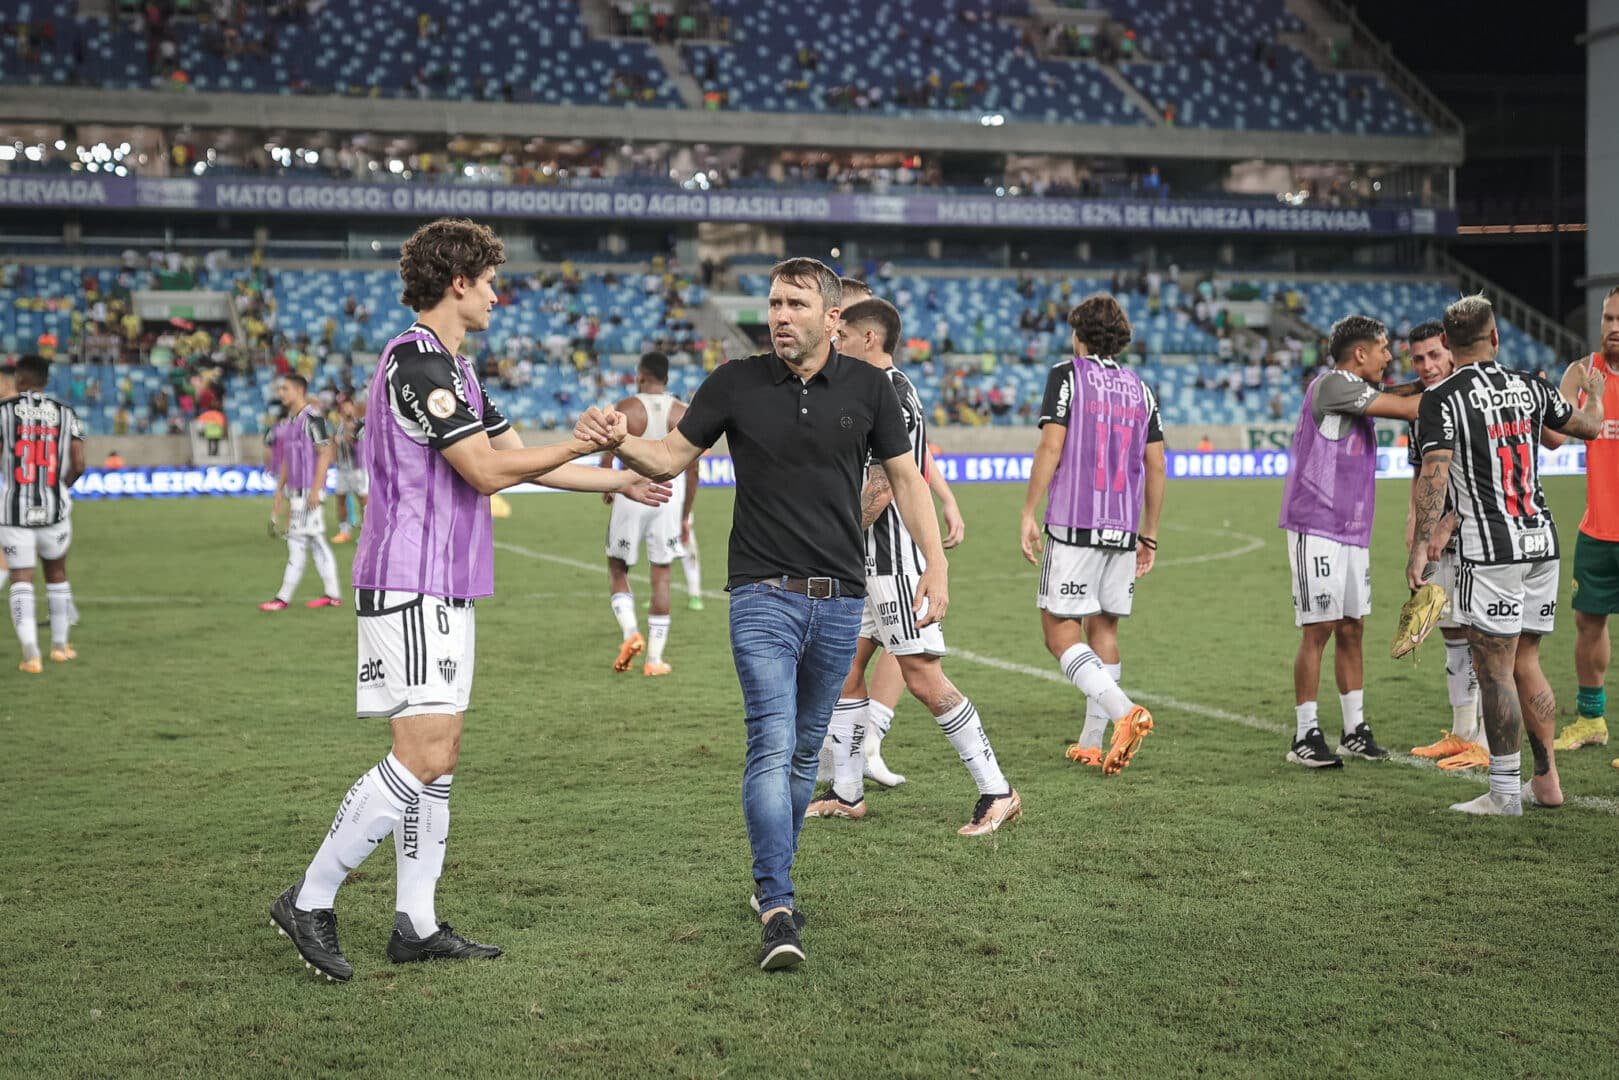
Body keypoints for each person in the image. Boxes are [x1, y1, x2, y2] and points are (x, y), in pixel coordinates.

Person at [270, 217, 669, 983]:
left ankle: (414, 923)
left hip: (446, 582)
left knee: (439, 761)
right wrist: (588, 447)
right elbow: (486, 473)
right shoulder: (416, 363)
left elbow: (522, 463)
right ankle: (310, 897)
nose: (496, 294)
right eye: (489, 281)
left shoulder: (456, 369)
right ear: (458, 282)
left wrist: (615, 475)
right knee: (420, 753)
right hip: (410, 580)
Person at [574, 257, 948, 973]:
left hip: (841, 596)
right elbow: (665, 458)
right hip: (760, 593)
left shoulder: (871, 388)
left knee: (808, 752)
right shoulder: (734, 383)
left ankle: (772, 879)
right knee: (772, 744)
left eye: (795, 304)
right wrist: (614, 436)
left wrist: (936, 562)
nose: (778, 316)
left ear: (832, 317)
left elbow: (905, 478)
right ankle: (777, 901)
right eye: (773, 303)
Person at [809, 297, 1016, 833]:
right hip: (864, 565)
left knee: (925, 679)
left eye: (844, 336)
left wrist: (824, 535)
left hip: (893, 565)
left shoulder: (892, 393)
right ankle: (848, 793)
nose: (836, 345)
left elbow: (880, 488)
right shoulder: (874, 388)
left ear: (869, 339)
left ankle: (998, 791)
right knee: (847, 671)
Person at [1406, 295, 1605, 815]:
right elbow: (1579, 430)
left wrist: (1417, 548)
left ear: (1446, 345)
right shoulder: (1531, 385)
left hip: (1491, 550)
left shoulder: (1441, 399)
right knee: (1529, 661)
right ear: (1496, 337)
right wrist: (1598, 398)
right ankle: (1547, 783)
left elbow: (1435, 473)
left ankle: (1502, 792)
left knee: (1494, 668)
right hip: (1542, 540)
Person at [1019, 295, 1163, 773]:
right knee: (1104, 627)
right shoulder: (1140, 388)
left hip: (1075, 522)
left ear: (1078, 335)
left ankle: (1125, 713)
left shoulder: (1068, 374)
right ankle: (1091, 741)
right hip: (1122, 527)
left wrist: (1028, 509)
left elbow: (1051, 442)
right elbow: (1156, 462)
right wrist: (1150, 533)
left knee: (1058, 630)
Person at [1278, 316, 1419, 768]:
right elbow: (1407, 407)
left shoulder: (1354, 390)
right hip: (1317, 524)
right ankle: (1304, 735)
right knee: (1318, 629)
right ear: (1359, 354)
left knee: (1353, 627)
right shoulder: (1332, 385)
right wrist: (1453, 386)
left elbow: (1396, 395)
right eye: (1382, 348)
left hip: (1351, 529)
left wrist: (1437, 378)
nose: (1388, 356)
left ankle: (1354, 731)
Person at [1402, 322, 1486, 769]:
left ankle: (1489, 744)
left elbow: (1485, 479)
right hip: (1439, 542)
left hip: (1479, 536)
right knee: (1451, 630)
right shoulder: (1426, 408)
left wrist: (1448, 523)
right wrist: (1415, 530)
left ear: (1451, 351)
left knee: (1488, 637)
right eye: (1418, 359)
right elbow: (1422, 478)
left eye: (1434, 355)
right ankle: (1461, 732)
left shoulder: (1469, 401)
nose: (1427, 366)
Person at [1550, 286, 1619, 766]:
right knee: (1587, 622)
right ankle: (1592, 720)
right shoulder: (1582, 371)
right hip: (1597, 527)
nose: (1613, 327)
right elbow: (1552, 437)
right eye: (1609, 318)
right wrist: (1578, 403)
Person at [600, 351, 698, 676]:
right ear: (667, 379)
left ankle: (630, 633)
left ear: (640, 375)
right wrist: (685, 515)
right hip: (670, 493)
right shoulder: (684, 413)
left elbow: (608, 451)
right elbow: (693, 470)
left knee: (617, 568)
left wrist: (608, 486)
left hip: (632, 487)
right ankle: (654, 660)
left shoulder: (626, 407)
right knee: (663, 571)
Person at [0, 355, 85, 671]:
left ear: (19, 380)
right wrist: (59, 488)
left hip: (13, 511)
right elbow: (79, 464)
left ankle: (31, 654)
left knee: (21, 579)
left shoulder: (3, 413)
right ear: (46, 381)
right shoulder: (66, 414)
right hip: (54, 509)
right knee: (57, 576)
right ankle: (60, 648)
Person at [258, 375, 343, 611]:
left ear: (299, 390)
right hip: (296, 491)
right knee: (314, 542)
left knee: (298, 541)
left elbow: (325, 453)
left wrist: (316, 491)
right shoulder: (291, 422)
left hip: (308, 492)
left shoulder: (313, 418)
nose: (281, 392)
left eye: (285, 388)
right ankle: (332, 594)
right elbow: (286, 459)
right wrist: (279, 491)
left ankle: (283, 598)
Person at [330, 399, 368, 544]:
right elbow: (335, 444)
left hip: (358, 468)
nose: (346, 410)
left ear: (354, 408)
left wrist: (349, 431)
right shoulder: (338, 426)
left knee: (363, 500)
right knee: (340, 498)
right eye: (344, 407)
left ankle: (366, 533)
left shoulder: (360, 425)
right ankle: (344, 531)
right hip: (342, 468)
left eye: (349, 407)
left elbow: (356, 442)